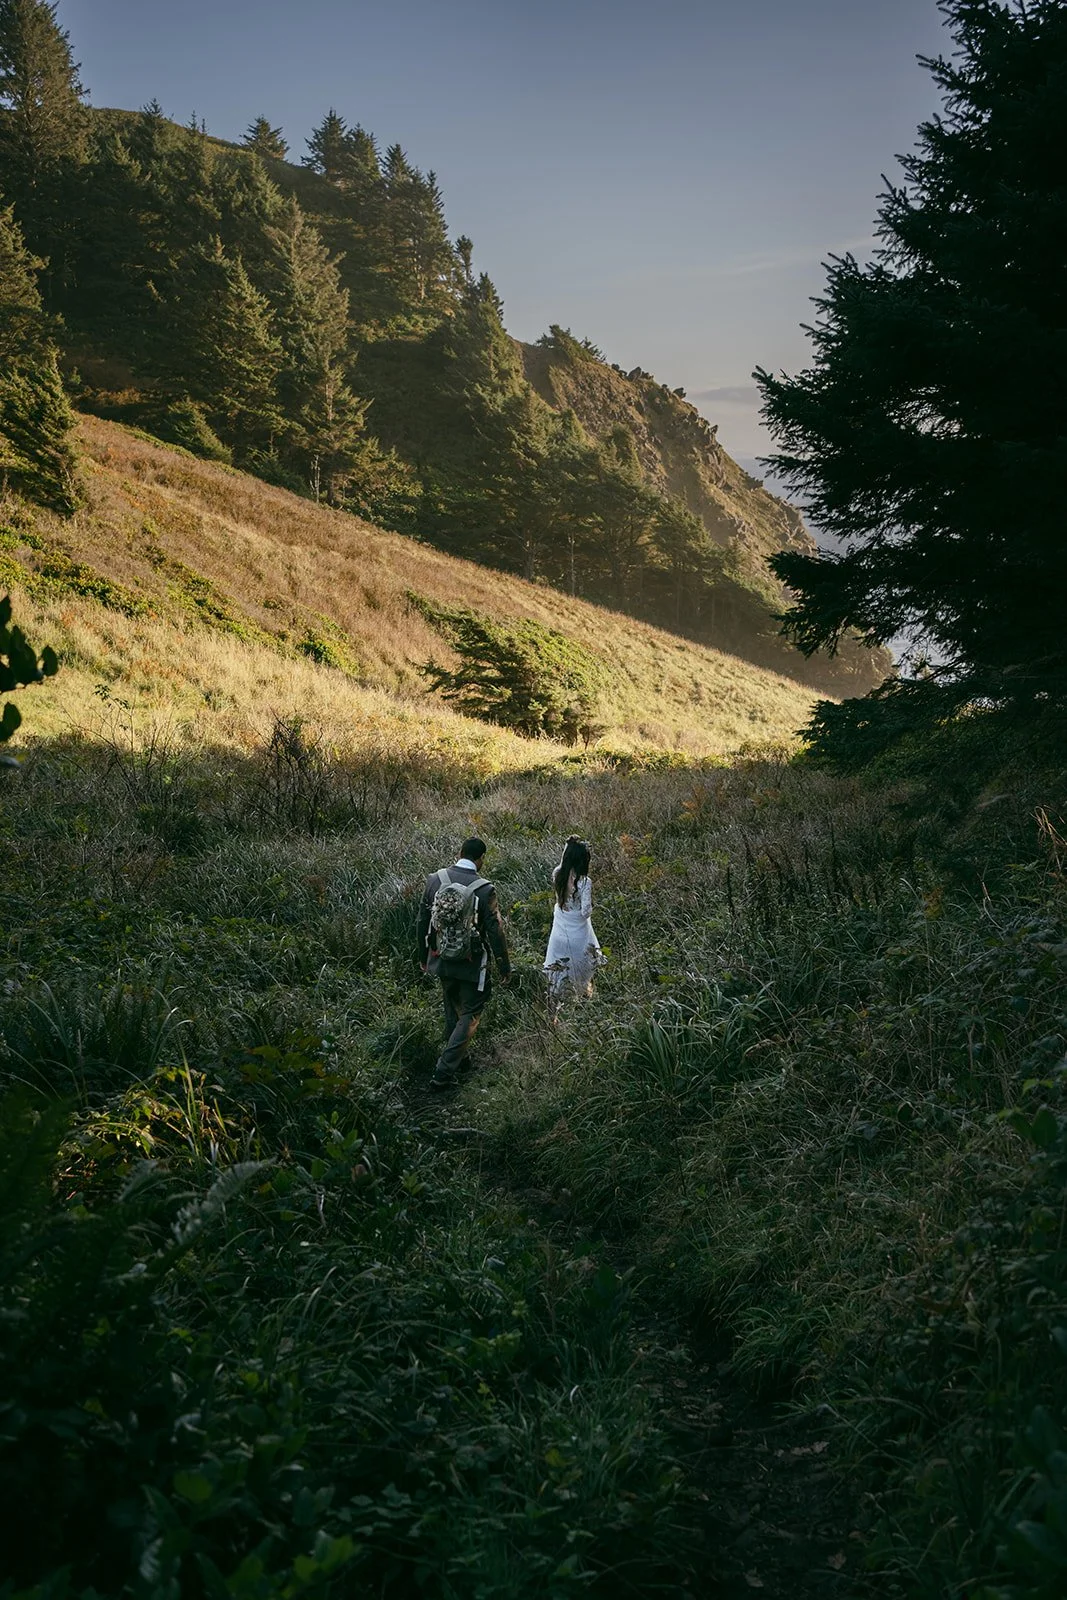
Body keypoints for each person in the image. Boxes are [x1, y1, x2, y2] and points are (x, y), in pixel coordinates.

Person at [417, 836, 511, 1092]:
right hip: (472, 963)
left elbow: (422, 921)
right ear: (480, 859)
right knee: (470, 1012)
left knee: (452, 1007)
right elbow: (495, 931)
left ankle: (462, 1061)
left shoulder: (434, 880)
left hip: (440, 958)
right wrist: (504, 965)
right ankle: (443, 1072)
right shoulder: (484, 889)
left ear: (459, 853)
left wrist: (423, 956)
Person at [543, 835, 603, 1011]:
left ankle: (554, 1006)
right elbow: (585, 912)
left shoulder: (557, 873)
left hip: (561, 926)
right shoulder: (585, 882)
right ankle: (584, 998)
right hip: (578, 930)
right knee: (583, 963)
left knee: (558, 964)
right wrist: (592, 905)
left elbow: (559, 898)